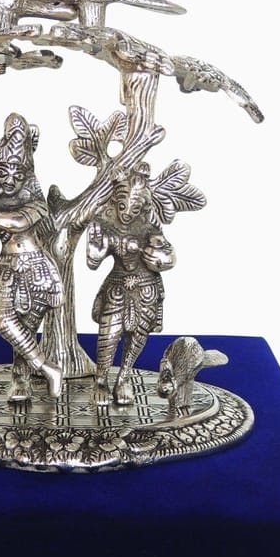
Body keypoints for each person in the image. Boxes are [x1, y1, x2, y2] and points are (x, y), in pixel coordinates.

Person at [0, 113, 64, 402]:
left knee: (25, 327)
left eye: (18, 174)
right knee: (4, 319)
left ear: (27, 174)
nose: (10, 179)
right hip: (6, 266)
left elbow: (18, 222)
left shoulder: (34, 201)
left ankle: (22, 379)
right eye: (3, 171)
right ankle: (47, 369)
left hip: (35, 268)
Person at [87, 164, 175, 405]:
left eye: (134, 208)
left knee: (137, 336)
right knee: (109, 335)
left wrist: (158, 257)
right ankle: (101, 379)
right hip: (117, 286)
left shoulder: (149, 227)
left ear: (143, 206)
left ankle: (124, 377)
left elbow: (168, 255)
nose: (127, 213)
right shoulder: (106, 224)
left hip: (146, 287)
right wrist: (98, 246)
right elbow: (93, 261)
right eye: (123, 206)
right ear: (115, 201)